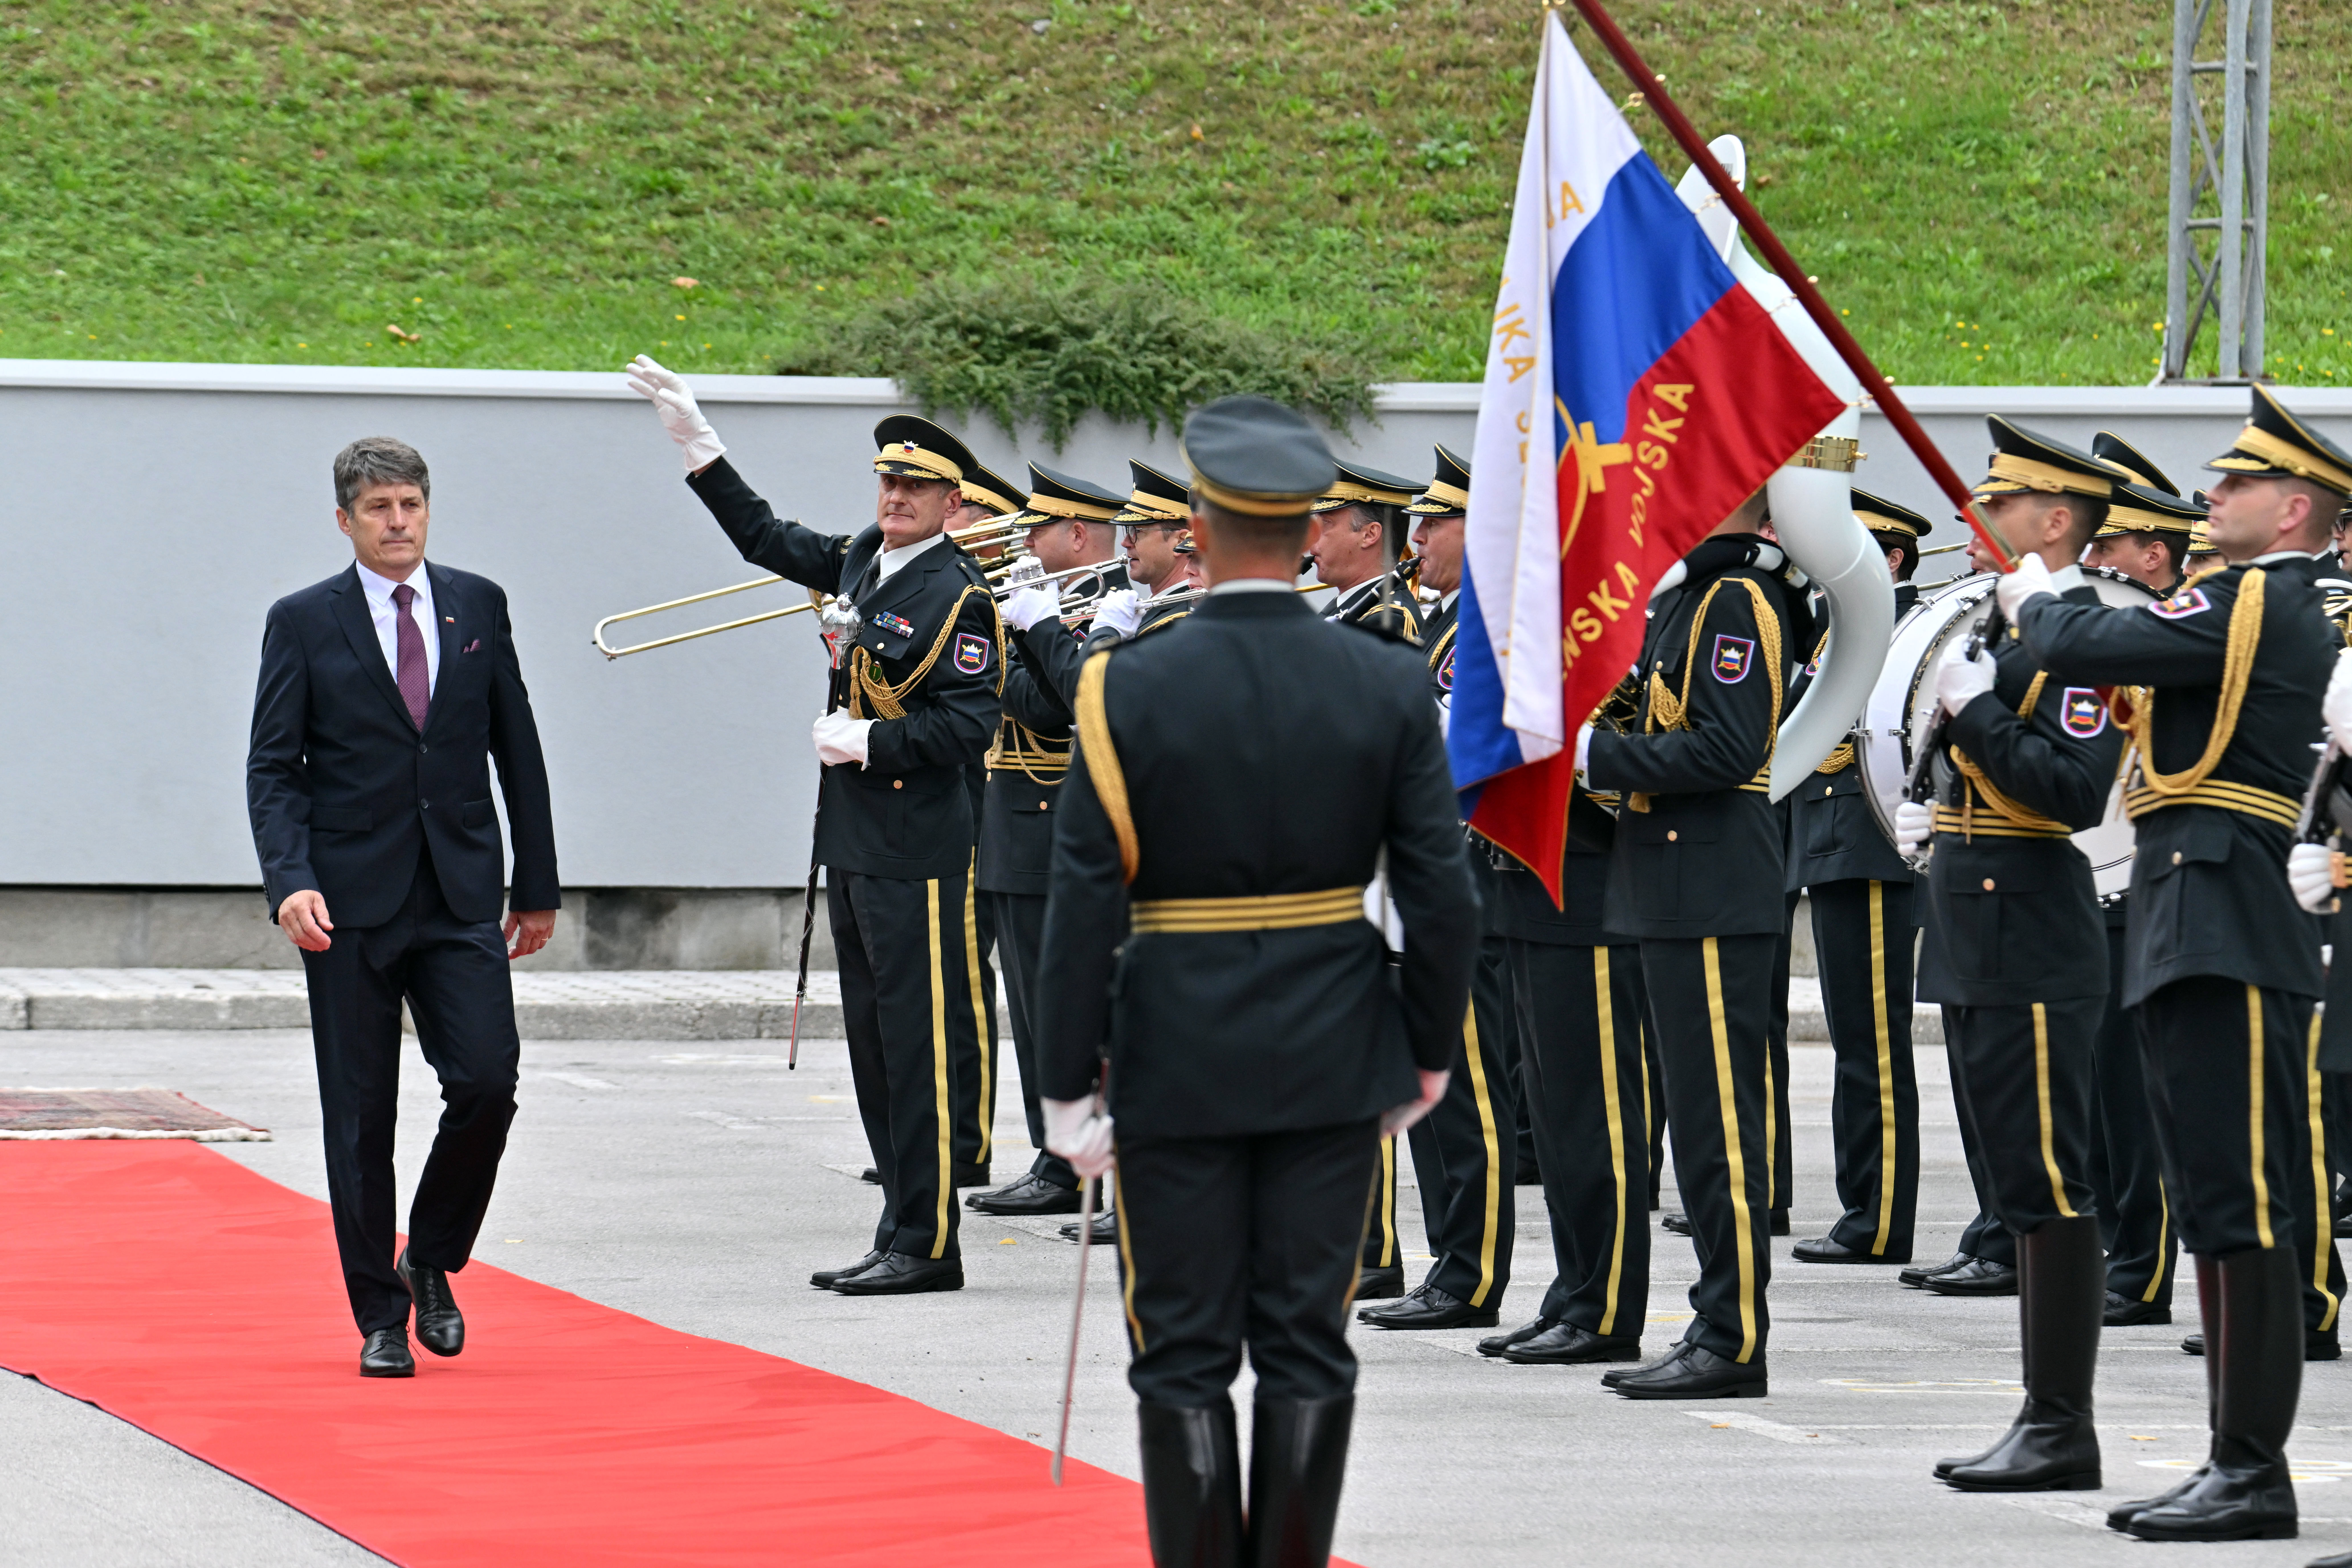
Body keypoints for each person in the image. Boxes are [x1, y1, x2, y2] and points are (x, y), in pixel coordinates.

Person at [1033, 396, 1477, 1566]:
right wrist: (1424, 1047)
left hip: (1176, 1046)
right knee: (1307, 1343)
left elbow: (1084, 902)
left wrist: (1064, 1085)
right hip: (1336, 1048)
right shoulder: (1384, 682)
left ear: (1198, 526)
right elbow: (1441, 892)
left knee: (1180, 1348)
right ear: (1302, 532)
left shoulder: (1124, 686)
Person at [2006, 386, 2345, 1543]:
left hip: (2227, 911)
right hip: (2185, 903)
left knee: (2242, 1200)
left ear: (2294, 508)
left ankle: (2253, 1466)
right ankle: (2230, 1457)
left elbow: (2080, 640)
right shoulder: (2239, 593)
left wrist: (2041, 580)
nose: (2212, 492)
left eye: (2238, 482)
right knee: (2212, 1197)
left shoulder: (2263, 596)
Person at [628, 357, 1003, 1297]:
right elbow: (763, 536)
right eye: (887, 480)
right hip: (856, 843)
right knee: (875, 1045)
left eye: (915, 485)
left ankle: (927, 1240)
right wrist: (697, 441)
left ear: (951, 503)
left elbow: (969, 725)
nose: (896, 495)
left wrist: (870, 740)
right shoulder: (864, 561)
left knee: (916, 1046)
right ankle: (902, 1227)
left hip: (919, 848)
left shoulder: (961, 595)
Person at [247, 436, 560, 1379]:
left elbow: (519, 748)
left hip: (461, 891)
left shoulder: (477, 604)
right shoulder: (303, 621)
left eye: (411, 505)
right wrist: (289, 879)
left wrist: (536, 883)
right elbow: (274, 766)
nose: (398, 522)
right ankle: (379, 1314)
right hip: (345, 903)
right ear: (345, 520)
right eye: (379, 508)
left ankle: (428, 1252)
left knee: (485, 1081)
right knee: (358, 1114)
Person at [1887, 419, 2129, 1493]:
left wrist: (1976, 712)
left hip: (2030, 915)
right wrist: (1935, 805)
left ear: (2056, 519)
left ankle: (2060, 1421)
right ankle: (2041, 1414)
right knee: (2010, 1179)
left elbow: (2074, 789)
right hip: (1973, 911)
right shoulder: (1996, 618)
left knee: (2044, 1180)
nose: (1976, 518)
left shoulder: (2085, 632)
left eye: (2001, 502)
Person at [1575, 489, 1809, 1399]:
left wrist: (1597, 756)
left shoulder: (1737, 600)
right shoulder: (1679, 597)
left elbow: (1725, 747)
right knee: (1693, 1128)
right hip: (1666, 889)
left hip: (1710, 887)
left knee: (1720, 1133)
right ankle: (1713, 1321)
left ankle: (1732, 1335)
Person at [1360, 448, 1519, 1332]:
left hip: (1462, 882)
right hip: (1411, 881)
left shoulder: (1492, 631)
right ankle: (1445, 1261)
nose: (1414, 536)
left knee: (1467, 1094)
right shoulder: (1442, 626)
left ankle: (1471, 1270)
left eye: (1434, 522)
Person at [966, 462, 1130, 1220]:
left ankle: (1068, 1160)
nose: (1021, 541)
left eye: (1037, 528)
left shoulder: (1097, 608)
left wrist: (986, 655)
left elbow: (1049, 707)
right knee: (1030, 1010)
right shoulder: (1049, 605)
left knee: (1060, 1000)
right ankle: (1050, 1150)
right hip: (1012, 818)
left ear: (1075, 535)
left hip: (1053, 815)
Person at [1785, 489, 1932, 1271]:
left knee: (1874, 1042)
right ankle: (1863, 1206)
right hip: (1830, 841)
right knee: (1853, 1040)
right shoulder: (1832, 626)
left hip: (1875, 848)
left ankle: (1880, 1219)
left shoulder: (1906, 627)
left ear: (1894, 558)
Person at [2076, 433, 2203, 1330]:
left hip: (2150, 879)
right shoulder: (2117, 628)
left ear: (2151, 554)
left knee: (2132, 1086)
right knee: (2090, 1083)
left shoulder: (2182, 630)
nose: (2091, 560)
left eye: (2107, 546)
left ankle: (2142, 1264)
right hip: (2085, 880)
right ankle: (2114, 1247)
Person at [1088, 462, 1200, 651]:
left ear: (1179, 541)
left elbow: (1092, 680)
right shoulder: (1155, 609)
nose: (1125, 543)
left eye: (1136, 531)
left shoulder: (1182, 617)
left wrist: (1105, 632)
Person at [1309, 458, 1423, 643]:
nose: (1312, 543)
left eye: (1327, 524)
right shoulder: (1349, 604)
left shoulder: (1388, 620)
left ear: (1370, 535)